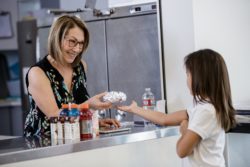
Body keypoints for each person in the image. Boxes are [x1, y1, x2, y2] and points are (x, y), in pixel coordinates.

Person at [118, 49, 236, 167]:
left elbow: (182, 151)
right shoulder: (202, 107)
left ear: (200, 77)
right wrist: (135, 109)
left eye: (188, 74)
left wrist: (184, 128)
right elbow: (164, 118)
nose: (187, 79)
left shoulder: (206, 111)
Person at [24, 15, 120, 137]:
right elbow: (54, 115)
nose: (77, 49)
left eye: (81, 43)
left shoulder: (80, 67)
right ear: (57, 38)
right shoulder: (38, 73)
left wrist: (95, 122)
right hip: (43, 143)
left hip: (72, 139)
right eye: (72, 41)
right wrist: (88, 105)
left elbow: (77, 109)